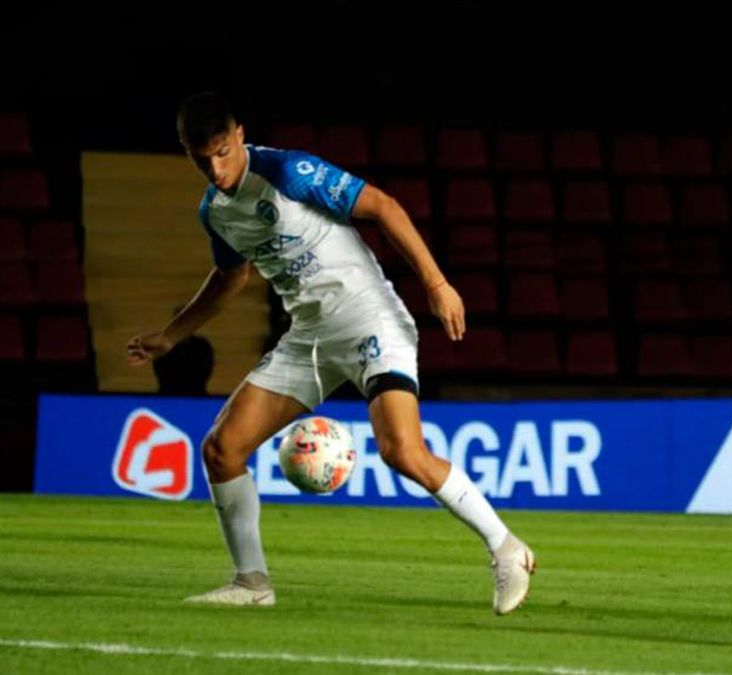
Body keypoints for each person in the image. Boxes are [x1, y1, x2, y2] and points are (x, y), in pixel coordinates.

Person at [127, 93, 535, 614]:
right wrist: (173, 334)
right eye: (200, 157)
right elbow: (232, 277)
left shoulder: (289, 172)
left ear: (238, 134)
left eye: (223, 152)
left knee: (401, 452)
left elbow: (383, 207)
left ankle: (507, 548)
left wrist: (436, 283)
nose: (215, 167)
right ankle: (252, 583)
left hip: (372, 321)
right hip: (310, 337)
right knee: (221, 450)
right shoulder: (215, 212)